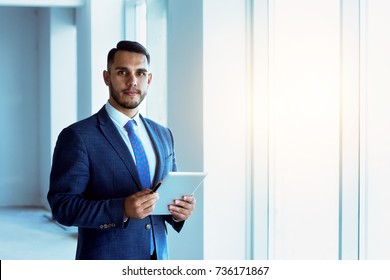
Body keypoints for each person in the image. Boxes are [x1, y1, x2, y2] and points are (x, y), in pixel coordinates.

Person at [47, 40, 195, 260]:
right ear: (107, 77)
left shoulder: (163, 134)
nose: (132, 81)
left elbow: (167, 195)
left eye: (140, 73)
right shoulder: (78, 136)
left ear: (149, 79)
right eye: (122, 72)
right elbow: (63, 207)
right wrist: (122, 209)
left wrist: (180, 212)